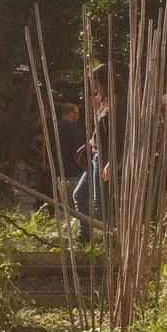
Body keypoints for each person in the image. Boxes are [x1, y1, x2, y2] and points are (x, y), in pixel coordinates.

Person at [73, 65, 123, 241]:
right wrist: (88, 143)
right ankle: (84, 236)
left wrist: (112, 160)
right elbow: (100, 131)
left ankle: (110, 240)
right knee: (79, 195)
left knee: (102, 202)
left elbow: (119, 135)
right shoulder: (103, 102)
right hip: (95, 155)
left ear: (102, 81)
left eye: (94, 81)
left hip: (104, 157)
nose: (92, 85)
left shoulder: (117, 105)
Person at [56, 103, 87, 182]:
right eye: (77, 113)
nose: (78, 116)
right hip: (72, 166)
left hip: (56, 166)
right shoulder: (73, 130)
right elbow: (79, 147)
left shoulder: (55, 127)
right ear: (70, 113)